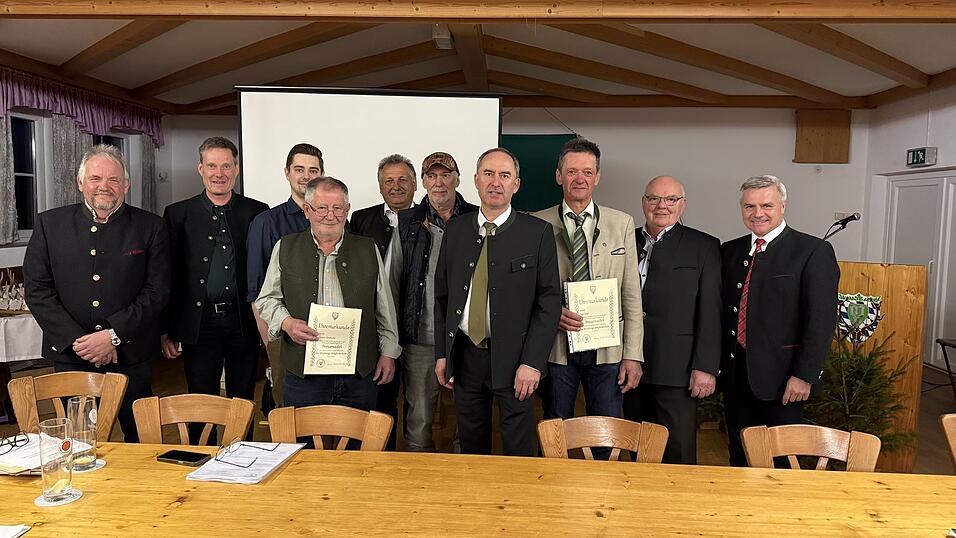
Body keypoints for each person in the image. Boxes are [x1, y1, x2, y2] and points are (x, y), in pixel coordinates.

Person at [23, 144, 170, 442]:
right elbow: (37, 289)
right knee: (76, 441)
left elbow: (157, 291)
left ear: (126, 185)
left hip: (131, 354)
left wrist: (112, 336)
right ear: (80, 183)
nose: (105, 186)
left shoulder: (151, 227)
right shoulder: (50, 224)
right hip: (71, 355)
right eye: (95, 178)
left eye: (114, 179)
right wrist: (79, 342)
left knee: (141, 440)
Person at [435, 148, 561, 456]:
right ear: (476, 181)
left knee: (518, 448)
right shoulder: (456, 229)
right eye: (488, 174)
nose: (496, 182)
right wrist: (443, 355)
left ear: (516, 184)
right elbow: (441, 298)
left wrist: (532, 362)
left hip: (517, 361)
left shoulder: (538, 233)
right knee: (471, 444)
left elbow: (549, 301)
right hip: (466, 356)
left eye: (504, 175)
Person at [255, 177, 401, 414]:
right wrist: (287, 323)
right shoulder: (285, 247)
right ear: (307, 210)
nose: (330, 215)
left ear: (347, 210)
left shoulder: (367, 248)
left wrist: (388, 353)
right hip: (303, 374)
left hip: (358, 373)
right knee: (305, 446)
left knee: (357, 447)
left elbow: (384, 308)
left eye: (337, 208)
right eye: (322, 208)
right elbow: (267, 299)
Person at [720, 174, 839, 467]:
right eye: (749, 206)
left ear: (783, 206)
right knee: (739, 451)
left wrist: (804, 375)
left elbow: (821, 321)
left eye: (767, 205)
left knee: (782, 459)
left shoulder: (812, 251)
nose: (757, 213)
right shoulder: (729, 251)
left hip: (785, 382)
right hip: (737, 377)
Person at [532, 138, 643, 433]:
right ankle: (554, 478)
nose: (579, 178)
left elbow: (631, 295)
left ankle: (605, 480)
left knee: (607, 429)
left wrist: (632, 354)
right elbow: (526, 291)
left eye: (586, 171)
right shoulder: (535, 224)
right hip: (556, 346)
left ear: (597, 176)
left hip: (608, 348)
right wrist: (551, 313)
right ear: (559, 177)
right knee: (556, 426)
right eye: (571, 172)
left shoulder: (621, 223)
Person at [161, 137, 267, 443]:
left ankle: (243, 454)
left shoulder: (256, 212)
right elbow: (169, 275)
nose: (218, 172)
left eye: (225, 165)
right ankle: (201, 456)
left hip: (243, 323)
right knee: (201, 399)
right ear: (200, 168)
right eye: (211, 165)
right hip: (199, 324)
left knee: (243, 398)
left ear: (236, 169)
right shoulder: (177, 214)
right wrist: (166, 331)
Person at [623, 175, 721, 464]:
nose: (661, 206)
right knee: (634, 444)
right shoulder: (624, 240)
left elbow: (711, 310)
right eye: (653, 198)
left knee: (677, 449)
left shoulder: (704, 246)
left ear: (683, 205)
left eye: (670, 199)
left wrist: (705, 366)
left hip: (677, 368)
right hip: (627, 362)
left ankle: (679, 505)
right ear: (643, 202)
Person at [392, 152, 478, 451]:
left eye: (445, 174)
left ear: (457, 178)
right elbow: (393, 281)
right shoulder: (407, 222)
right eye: (432, 175)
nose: (439, 182)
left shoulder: (477, 219)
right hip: (420, 337)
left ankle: (463, 478)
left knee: (469, 417)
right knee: (418, 421)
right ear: (423, 182)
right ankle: (419, 483)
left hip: (466, 338)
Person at [246, 143, 324, 406]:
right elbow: (257, 291)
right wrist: (270, 344)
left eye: (313, 170)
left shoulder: (334, 219)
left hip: (325, 335)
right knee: (287, 411)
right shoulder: (266, 223)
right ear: (287, 173)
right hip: (284, 334)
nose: (306, 175)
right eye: (299, 169)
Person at [349, 153, 417, 450]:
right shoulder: (361, 220)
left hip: (419, 327)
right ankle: (381, 456)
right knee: (379, 400)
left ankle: (412, 460)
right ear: (380, 187)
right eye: (389, 181)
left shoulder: (428, 219)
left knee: (418, 404)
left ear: (415, 185)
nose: (396, 186)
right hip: (376, 329)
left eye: (403, 179)